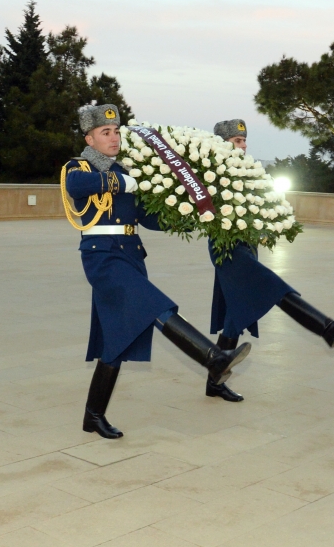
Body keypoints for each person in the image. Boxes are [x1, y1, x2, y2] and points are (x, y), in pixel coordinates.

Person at [62, 104, 250, 439]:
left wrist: (187, 214)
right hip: (102, 258)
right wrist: (123, 182)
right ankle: (213, 357)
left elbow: (147, 218)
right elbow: (76, 186)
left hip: (131, 255)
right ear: (90, 139)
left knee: (117, 337)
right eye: (105, 132)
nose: (114, 137)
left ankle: (93, 415)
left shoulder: (126, 170)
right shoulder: (79, 168)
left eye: (116, 131)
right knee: (154, 305)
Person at [203, 119, 334, 402]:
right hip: (226, 247)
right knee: (270, 285)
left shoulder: (245, 170)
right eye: (237, 140)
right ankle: (324, 326)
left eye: (244, 140)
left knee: (234, 314)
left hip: (246, 243)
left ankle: (214, 382)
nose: (244, 145)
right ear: (221, 143)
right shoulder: (211, 171)